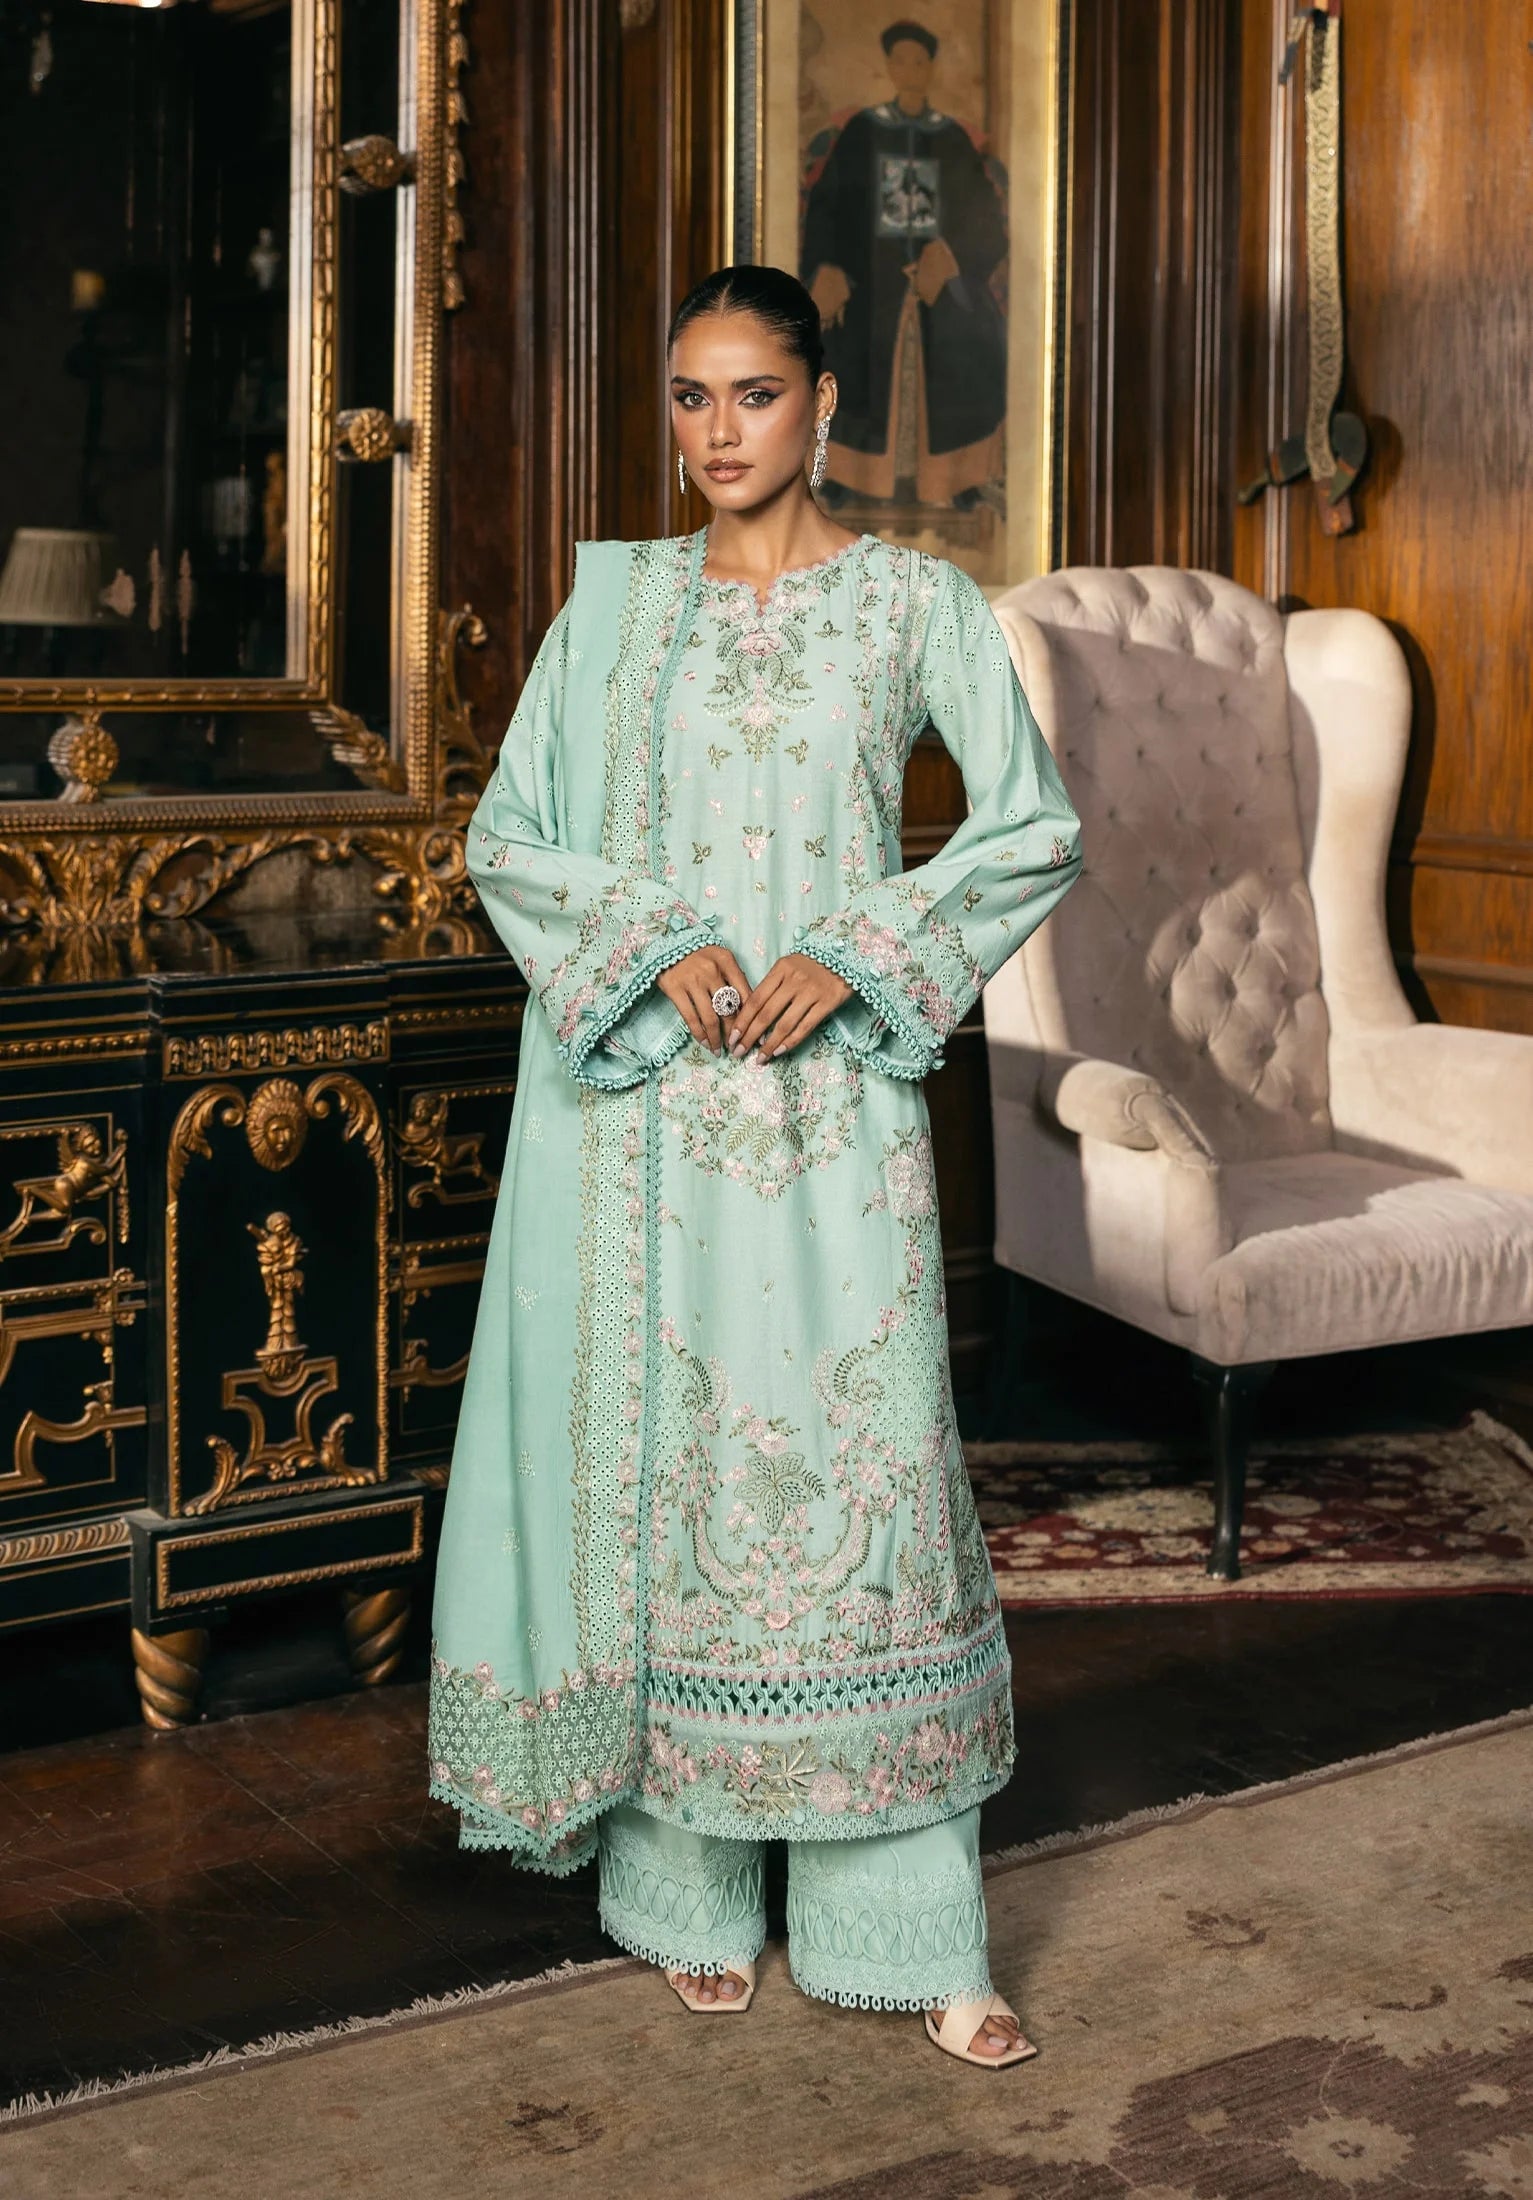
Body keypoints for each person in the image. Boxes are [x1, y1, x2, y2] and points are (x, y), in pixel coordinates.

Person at [427, 264, 1081, 2067]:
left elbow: (1032, 828)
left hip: (835, 1118)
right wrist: (652, 938)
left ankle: (912, 1925)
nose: (718, 433)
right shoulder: (618, 610)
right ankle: (686, 1892)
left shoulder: (911, 606)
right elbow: (513, 837)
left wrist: (855, 951)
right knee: (670, 1472)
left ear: (823, 408)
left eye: (755, 396)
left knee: (863, 1473)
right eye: (690, 398)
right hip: (646, 1118)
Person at [801, 18, 1008, 506]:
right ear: (891, 68)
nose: (911, 70)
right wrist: (832, 267)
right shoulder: (862, 131)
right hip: (869, 279)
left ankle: (956, 479)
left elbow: (986, 221)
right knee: (842, 354)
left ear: (930, 69)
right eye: (902, 61)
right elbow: (830, 203)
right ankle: (847, 476)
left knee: (976, 349)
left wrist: (950, 257)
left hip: (942, 281)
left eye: (921, 61)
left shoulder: (952, 138)